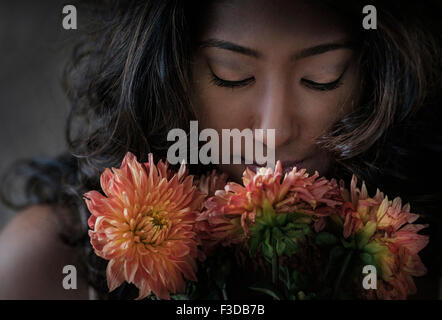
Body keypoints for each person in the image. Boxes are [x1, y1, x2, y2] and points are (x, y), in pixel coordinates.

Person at [0, 0, 441, 299]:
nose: (273, 131)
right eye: (231, 75)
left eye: (323, 77)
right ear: (169, 73)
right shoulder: (51, 256)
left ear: (376, 78)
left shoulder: (412, 252)